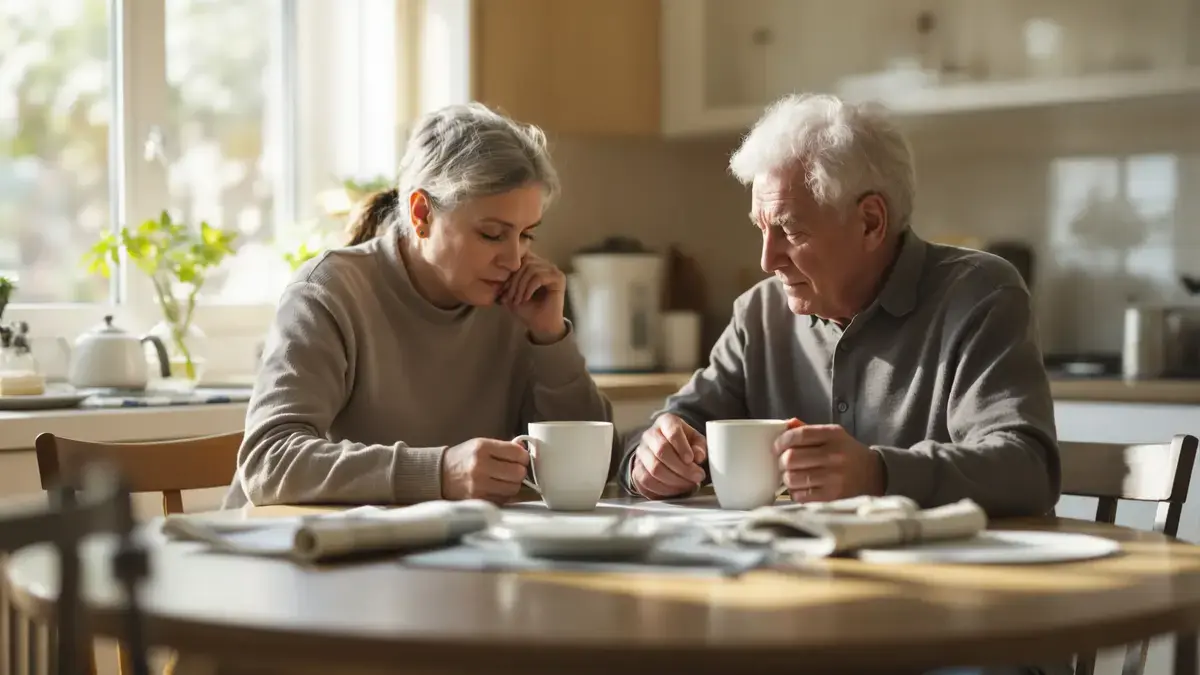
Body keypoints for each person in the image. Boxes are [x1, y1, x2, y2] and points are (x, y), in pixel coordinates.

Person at [618, 93, 1061, 519]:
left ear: (870, 222)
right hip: (793, 565)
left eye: (791, 230)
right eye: (761, 229)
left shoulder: (979, 294)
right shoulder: (760, 314)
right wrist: (649, 460)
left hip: (946, 569)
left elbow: (1027, 467)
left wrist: (880, 474)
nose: (767, 260)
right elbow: (670, 426)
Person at [223, 102, 612, 508]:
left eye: (526, 234)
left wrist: (551, 340)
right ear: (421, 213)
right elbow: (269, 462)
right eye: (492, 234)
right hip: (289, 543)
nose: (514, 260)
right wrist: (439, 473)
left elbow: (599, 471)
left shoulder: (519, 304)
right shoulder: (330, 291)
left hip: (438, 545)